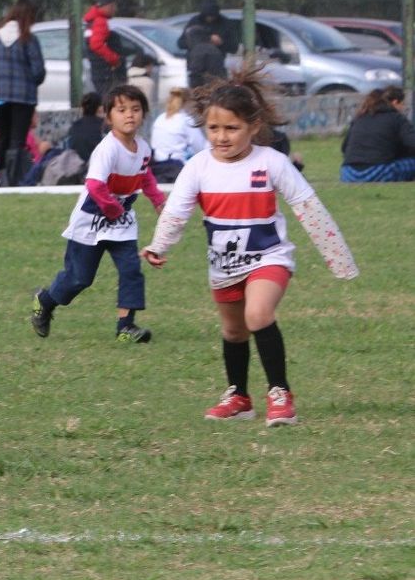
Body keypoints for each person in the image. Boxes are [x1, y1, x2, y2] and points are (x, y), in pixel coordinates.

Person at [143, 67, 359, 425]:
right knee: (233, 331)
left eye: (232, 128)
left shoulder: (272, 163)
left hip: (269, 259)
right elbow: (176, 213)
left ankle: (279, 393)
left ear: (253, 127)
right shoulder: (197, 168)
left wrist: (339, 258)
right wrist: (159, 245)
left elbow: (309, 207)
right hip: (224, 266)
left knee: (257, 315)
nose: (222, 137)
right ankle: (239, 397)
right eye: (214, 129)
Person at [29, 84, 165, 343]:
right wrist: (113, 208)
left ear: (144, 114)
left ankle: (126, 327)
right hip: (91, 221)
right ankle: (45, 301)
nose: (129, 115)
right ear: (109, 115)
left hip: (121, 223)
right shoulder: (108, 148)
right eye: (122, 109)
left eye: (136, 109)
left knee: (131, 270)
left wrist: (158, 202)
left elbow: (145, 175)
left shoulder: (144, 149)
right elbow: (94, 185)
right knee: (79, 278)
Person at [0, 0, 47, 187]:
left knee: (3, 136)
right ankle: (14, 178)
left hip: (0, 97)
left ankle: (0, 176)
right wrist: (32, 81)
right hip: (23, 97)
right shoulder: (29, 39)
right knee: (18, 139)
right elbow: (38, 71)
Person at [340, 85, 415, 182]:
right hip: (378, 171)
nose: (403, 108)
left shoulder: (359, 119)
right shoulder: (396, 118)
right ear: (395, 102)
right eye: (402, 104)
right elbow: (412, 142)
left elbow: (344, 148)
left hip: (348, 174)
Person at [148, 87, 207, 181]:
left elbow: (154, 145)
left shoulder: (160, 119)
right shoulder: (186, 120)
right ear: (188, 102)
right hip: (177, 168)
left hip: (157, 168)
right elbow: (201, 147)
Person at [84, 0, 125, 96]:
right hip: (105, 72)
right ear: (108, 6)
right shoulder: (100, 22)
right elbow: (96, 45)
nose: (115, 10)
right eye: (113, 6)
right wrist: (114, 59)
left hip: (97, 69)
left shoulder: (92, 21)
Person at [183, 24, 227, 90]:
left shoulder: (197, 50)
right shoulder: (214, 48)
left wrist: (193, 89)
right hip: (218, 85)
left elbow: (195, 72)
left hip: (203, 88)